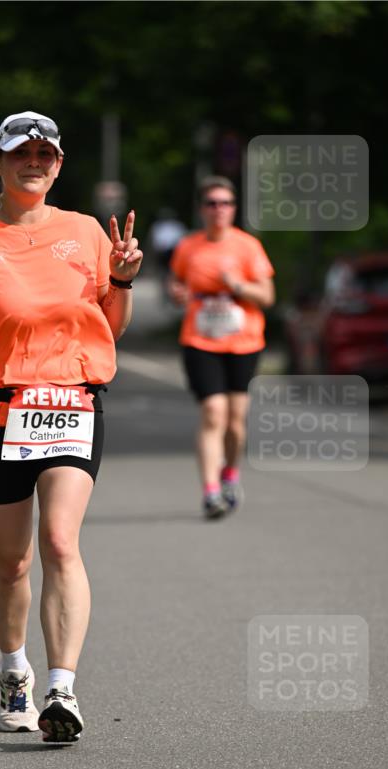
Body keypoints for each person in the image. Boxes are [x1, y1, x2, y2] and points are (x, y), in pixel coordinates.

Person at [0, 111, 142, 742]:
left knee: (59, 543)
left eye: (46, 155)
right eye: (21, 153)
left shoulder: (86, 233)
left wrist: (123, 279)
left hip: (72, 403)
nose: (35, 162)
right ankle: (13, 666)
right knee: (13, 563)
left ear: (59, 165)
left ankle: (62, 689)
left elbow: (113, 325)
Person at [169, 176, 275, 518]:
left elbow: (268, 297)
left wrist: (239, 286)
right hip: (200, 339)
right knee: (213, 412)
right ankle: (211, 491)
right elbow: (176, 281)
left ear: (234, 208)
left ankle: (231, 472)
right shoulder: (189, 246)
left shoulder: (248, 247)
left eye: (225, 203)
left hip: (243, 341)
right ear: (202, 209)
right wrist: (178, 294)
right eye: (212, 203)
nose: (219, 209)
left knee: (235, 421)